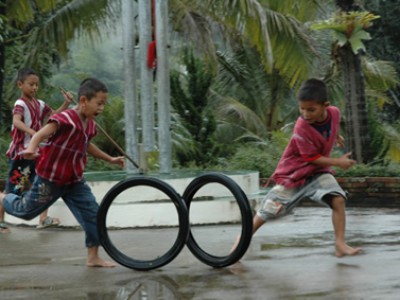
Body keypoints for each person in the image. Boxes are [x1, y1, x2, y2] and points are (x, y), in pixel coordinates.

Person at [0, 77, 124, 267]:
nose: (102, 109)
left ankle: (93, 257)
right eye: (99, 104)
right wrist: (32, 148)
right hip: (50, 180)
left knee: (94, 215)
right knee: (24, 212)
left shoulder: (90, 124)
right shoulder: (65, 118)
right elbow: (41, 133)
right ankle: (3, 198)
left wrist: (111, 159)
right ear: (83, 101)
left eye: (104, 105)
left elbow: (87, 146)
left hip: (74, 181)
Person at [232, 78, 362, 258]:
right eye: (302, 109)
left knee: (338, 199)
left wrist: (335, 136)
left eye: (311, 109)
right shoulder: (301, 126)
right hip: (295, 173)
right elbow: (312, 158)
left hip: (317, 173)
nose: (306, 114)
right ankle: (241, 239)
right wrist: (338, 162)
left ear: (325, 105)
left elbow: (330, 126)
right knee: (269, 210)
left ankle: (339, 243)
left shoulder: (335, 113)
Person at [0, 68, 72, 233]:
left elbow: (53, 116)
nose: (34, 88)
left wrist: (66, 103)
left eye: (36, 85)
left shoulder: (39, 104)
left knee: (43, 185)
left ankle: (43, 219)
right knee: (13, 190)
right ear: (20, 84)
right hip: (22, 155)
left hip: (37, 153)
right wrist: (34, 133)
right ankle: (1, 221)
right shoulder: (20, 104)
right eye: (31, 84)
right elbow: (16, 122)